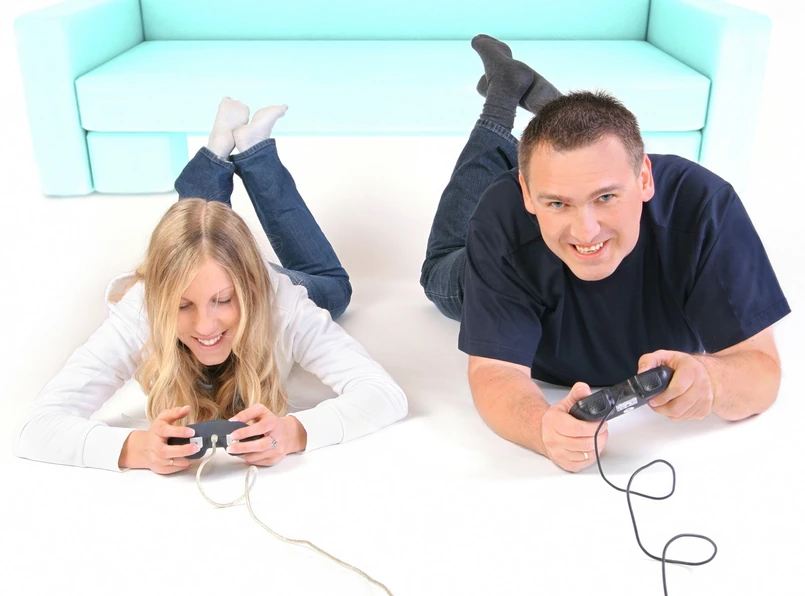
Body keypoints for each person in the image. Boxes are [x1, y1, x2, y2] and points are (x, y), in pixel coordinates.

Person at [420, 35, 790, 473]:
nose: (585, 231)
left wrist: (712, 380)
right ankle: (502, 100)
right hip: (492, 256)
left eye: (606, 196)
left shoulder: (704, 207)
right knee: (438, 269)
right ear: (528, 195)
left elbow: (761, 372)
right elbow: (494, 371)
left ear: (645, 179)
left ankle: (560, 129)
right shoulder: (503, 215)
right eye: (558, 202)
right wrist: (541, 426)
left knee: (572, 166)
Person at [13, 98, 407, 474]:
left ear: (248, 290)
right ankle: (223, 158)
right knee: (202, 233)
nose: (205, 326)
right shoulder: (141, 311)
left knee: (334, 288)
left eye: (223, 300)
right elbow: (36, 427)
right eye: (182, 305)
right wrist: (137, 448)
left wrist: (292, 433)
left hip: (269, 278)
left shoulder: (283, 304)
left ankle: (254, 152)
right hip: (213, 261)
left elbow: (383, 393)